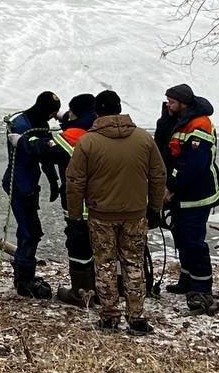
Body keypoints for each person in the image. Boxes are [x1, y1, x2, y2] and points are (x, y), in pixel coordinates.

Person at [65, 90, 167, 334]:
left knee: (105, 265)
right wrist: (155, 208)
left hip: (101, 215)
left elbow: (74, 181)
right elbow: (158, 175)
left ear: (97, 112)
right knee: (133, 263)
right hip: (135, 213)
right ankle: (137, 317)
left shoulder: (88, 142)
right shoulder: (143, 138)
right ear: (120, 108)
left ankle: (110, 315)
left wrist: (75, 215)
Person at [154, 83, 219, 314]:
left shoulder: (199, 125)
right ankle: (187, 279)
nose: (167, 104)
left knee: (193, 241)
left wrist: (170, 187)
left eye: (171, 101)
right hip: (181, 192)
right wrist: (165, 120)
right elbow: (162, 148)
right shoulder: (177, 120)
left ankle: (202, 288)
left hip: (197, 195)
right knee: (181, 237)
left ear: (183, 102)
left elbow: (193, 165)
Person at [2, 90, 61, 298]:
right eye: (53, 113)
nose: (54, 117)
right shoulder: (20, 126)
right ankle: (23, 279)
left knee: (27, 231)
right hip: (19, 183)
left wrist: (53, 181)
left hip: (28, 182)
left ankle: (23, 274)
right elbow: (36, 150)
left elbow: (45, 155)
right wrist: (26, 191)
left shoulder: (39, 122)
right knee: (30, 232)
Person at [54, 93, 97, 300]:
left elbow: (46, 150)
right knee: (106, 247)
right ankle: (106, 289)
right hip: (108, 205)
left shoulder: (72, 136)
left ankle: (81, 291)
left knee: (79, 246)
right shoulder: (105, 131)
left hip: (79, 206)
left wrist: (24, 141)